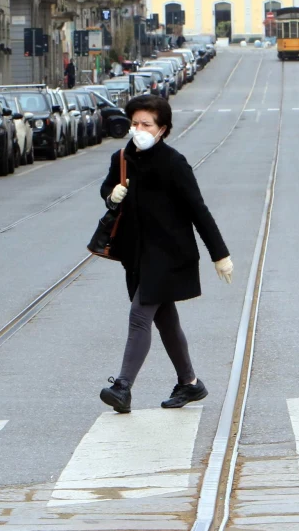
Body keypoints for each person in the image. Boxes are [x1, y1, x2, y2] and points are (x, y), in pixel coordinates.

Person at [98, 95, 234, 414]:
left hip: (170, 254)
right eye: (135, 123)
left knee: (140, 315)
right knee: (166, 320)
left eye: (146, 124)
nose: (139, 129)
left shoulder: (174, 163)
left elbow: (198, 210)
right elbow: (106, 190)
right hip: (136, 255)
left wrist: (220, 254)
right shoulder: (122, 158)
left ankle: (122, 387)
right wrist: (111, 195)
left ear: (162, 130)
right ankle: (189, 383)